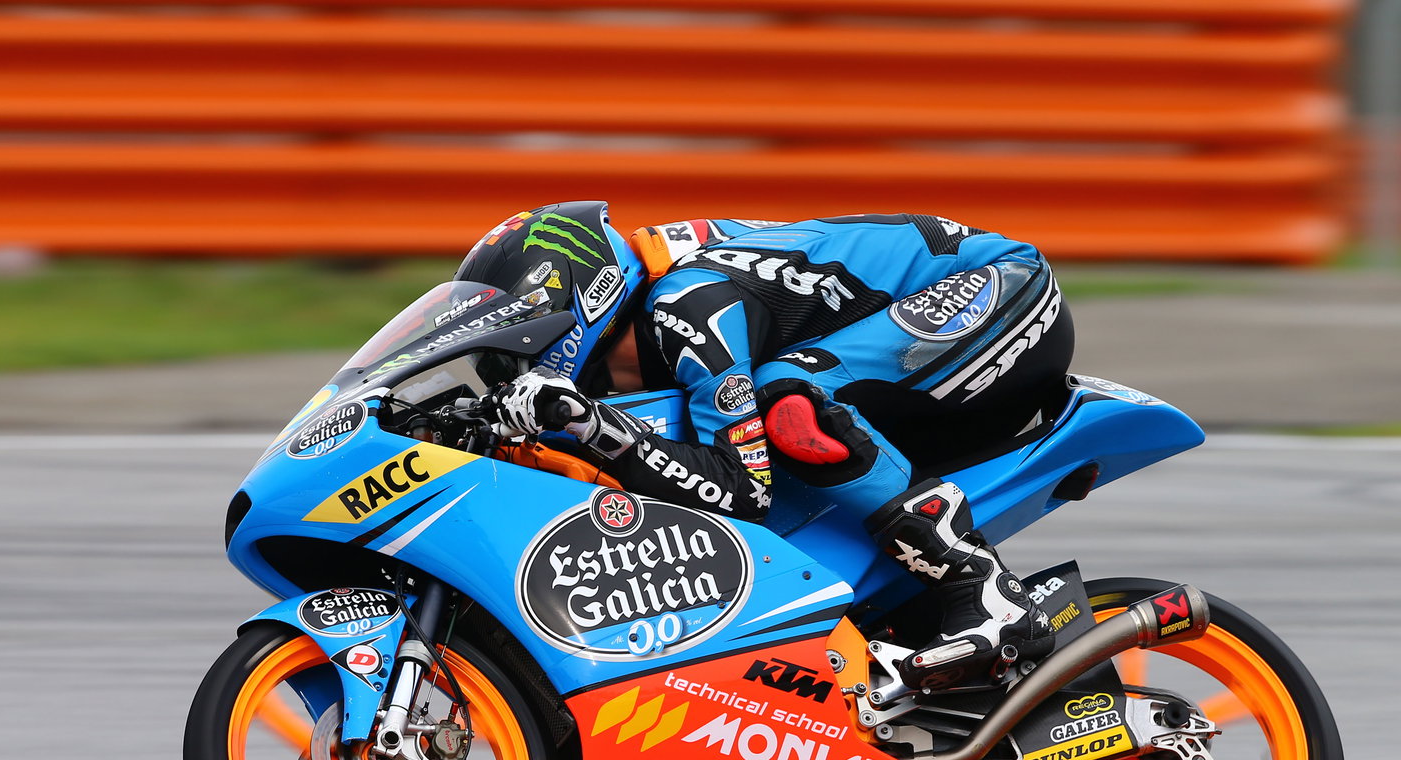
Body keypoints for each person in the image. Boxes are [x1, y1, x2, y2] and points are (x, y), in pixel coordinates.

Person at [458, 201, 1072, 691]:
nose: (504, 367)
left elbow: (742, 490)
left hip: (997, 287)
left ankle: (988, 593)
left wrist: (594, 426)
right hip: (926, 320)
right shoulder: (663, 302)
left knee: (788, 403)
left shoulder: (684, 306)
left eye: (512, 337)